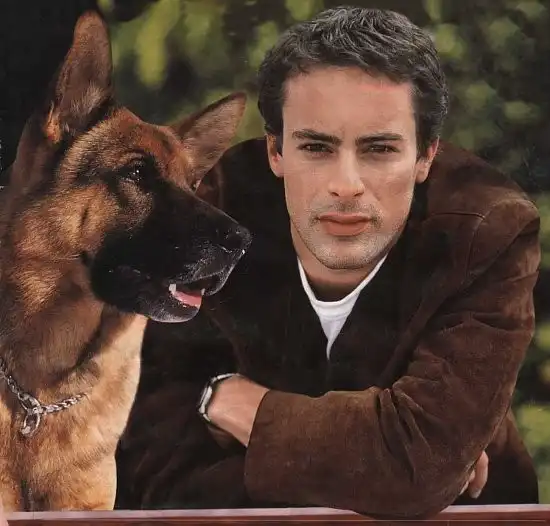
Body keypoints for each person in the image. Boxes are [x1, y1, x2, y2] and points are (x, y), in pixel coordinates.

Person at [114, 6, 540, 519]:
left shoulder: (488, 227)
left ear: (426, 156)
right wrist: (385, 466)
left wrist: (224, 401)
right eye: (316, 147)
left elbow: (419, 464)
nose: (345, 184)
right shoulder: (211, 215)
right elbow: (160, 474)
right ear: (275, 152)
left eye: (379, 149)